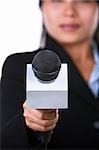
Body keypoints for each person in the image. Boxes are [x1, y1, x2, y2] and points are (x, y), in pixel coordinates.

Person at [0, 0, 99, 149]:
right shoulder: (20, 67)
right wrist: (28, 126)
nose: (70, 12)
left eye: (83, 0)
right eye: (57, 0)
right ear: (41, 6)